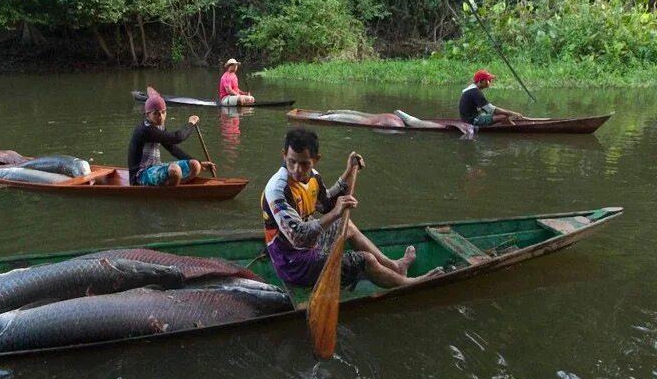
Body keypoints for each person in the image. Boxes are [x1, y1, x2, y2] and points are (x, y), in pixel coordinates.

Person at [261, 128, 442, 288]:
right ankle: (407, 284)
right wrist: (335, 213)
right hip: (293, 262)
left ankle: (395, 267)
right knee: (365, 260)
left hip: (309, 246)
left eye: (304, 164)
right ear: (284, 155)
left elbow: (326, 203)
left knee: (346, 225)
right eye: (292, 162)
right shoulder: (278, 189)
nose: (297, 170)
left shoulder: (313, 177)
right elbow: (299, 237)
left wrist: (348, 173)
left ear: (315, 160)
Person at [127, 87, 216, 186]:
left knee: (195, 165)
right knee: (175, 170)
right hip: (141, 175)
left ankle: (175, 184)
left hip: (156, 167)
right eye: (156, 114)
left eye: (163, 112)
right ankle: (172, 190)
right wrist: (191, 123)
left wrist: (199, 162)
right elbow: (177, 138)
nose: (160, 117)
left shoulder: (159, 126)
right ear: (147, 115)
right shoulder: (145, 130)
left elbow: (171, 147)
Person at [459, 69, 525, 126]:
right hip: (471, 120)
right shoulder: (475, 92)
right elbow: (492, 110)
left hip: (468, 118)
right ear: (480, 81)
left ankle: (507, 124)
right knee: (504, 116)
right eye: (487, 80)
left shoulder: (472, 89)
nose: (489, 82)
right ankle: (514, 128)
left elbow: (487, 109)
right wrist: (513, 113)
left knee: (502, 114)